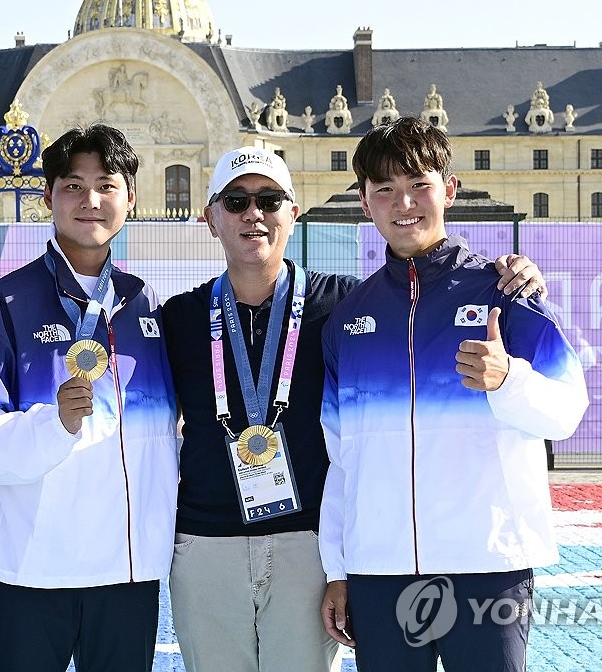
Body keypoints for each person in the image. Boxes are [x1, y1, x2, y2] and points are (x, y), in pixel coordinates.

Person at [163, 147, 549, 672]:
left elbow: (420, 300)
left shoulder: (342, 306)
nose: (253, 213)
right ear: (211, 218)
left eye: (269, 199)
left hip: (307, 545)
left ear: (292, 213)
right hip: (208, 543)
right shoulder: (177, 318)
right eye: (236, 201)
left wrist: (512, 276)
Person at [319, 117, 588, 672]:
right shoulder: (348, 319)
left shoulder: (507, 291)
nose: (404, 203)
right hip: (381, 568)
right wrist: (338, 568)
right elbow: (340, 459)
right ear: (365, 203)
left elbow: (566, 410)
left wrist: (507, 378)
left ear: (450, 188)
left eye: (419, 183)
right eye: (384, 190)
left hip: (487, 563)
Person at [0, 123, 177, 672]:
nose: (91, 201)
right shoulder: (4, 304)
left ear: (131, 197)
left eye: (106, 184)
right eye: (73, 186)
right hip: (33, 568)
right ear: (48, 196)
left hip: (126, 570)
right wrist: (53, 423)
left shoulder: (145, 304)